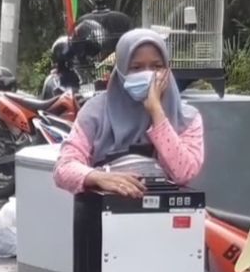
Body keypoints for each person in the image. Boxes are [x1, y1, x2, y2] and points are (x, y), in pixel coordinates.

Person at [54, 29, 203, 196]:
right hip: (105, 216)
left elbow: (184, 172)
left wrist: (156, 112)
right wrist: (98, 177)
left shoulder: (187, 118)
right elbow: (63, 168)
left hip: (165, 218)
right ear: (122, 70)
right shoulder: (95, 112)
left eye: (157, 66)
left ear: (168, 70)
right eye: (136, 68)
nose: (148, 74)